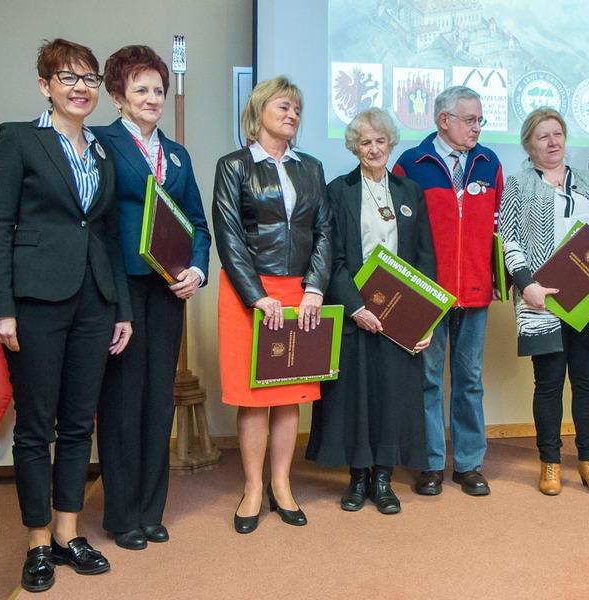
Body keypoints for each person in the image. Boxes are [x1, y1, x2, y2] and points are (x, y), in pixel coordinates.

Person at [0, 39, 132, 593]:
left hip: (94, 298)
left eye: (90, 78)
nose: (81, 87)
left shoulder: (102, 150)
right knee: (35, 428)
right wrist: (0, 307)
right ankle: (38, 541)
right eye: (67, 77)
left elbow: (107, 233)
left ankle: (69, 535)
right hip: (36, 300)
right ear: (45, 85)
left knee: (76, 423)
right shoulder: (19, 138)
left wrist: (120, 306)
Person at [92, 45, 211, 550]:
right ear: (117, 96)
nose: (152, 98)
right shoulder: (98, 144)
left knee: (157, 401)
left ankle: (150, 511)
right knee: (121, 402)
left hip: (167, 292)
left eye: (158, 89)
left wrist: (198, 272)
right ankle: (121, 515)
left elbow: (199, 227)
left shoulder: (178, 155)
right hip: (117, 291)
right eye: (140, 89)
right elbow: (93, 222)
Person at [213, 76, 331, 533]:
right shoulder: (234, 165)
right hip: (250, 294)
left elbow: (324, 232)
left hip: (299, 293)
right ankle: (252, 489)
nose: (292, 115)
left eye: (297, 109)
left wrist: (315, 290)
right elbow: (228, 235)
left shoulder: (311, 167)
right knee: (254, 397)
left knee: (290, 397)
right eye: (284, 106)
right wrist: (256, 296)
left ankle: (282, 485)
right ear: (259, 110)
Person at [499, 108, 589, 497]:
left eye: (558, 133)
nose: (553, 142)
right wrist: (527, 285)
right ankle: (550, 462)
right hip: (542, 300)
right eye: (543, 136)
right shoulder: (518, 185)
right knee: (547, 384)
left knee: (588, 383)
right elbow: (509, 240)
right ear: (529, 144)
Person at [306, 108, 434, 514]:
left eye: (380, 141)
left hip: (401, 314)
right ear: (354, 147)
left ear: (391, 143)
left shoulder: (411, 191)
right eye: (365, 142)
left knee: (392, 395)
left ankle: (383, 479)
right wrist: (355, 306)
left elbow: (424, 258)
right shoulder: (337, 190)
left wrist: (424, 317)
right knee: (353, 396)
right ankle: (357, 478)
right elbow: (332, 257)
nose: (373, 149)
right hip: (354, 311)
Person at [393, 86, 502, 497]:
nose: (477, 127)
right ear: (444, 120)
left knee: (470, 380)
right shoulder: (411, 164)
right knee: (428, 380)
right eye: (470, 119)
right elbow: (401, 233)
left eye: (480, 120)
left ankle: (470, 464)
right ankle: (431, 463)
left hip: (475, 292)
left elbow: (496, 226)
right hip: (428, 295)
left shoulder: (489, 162)